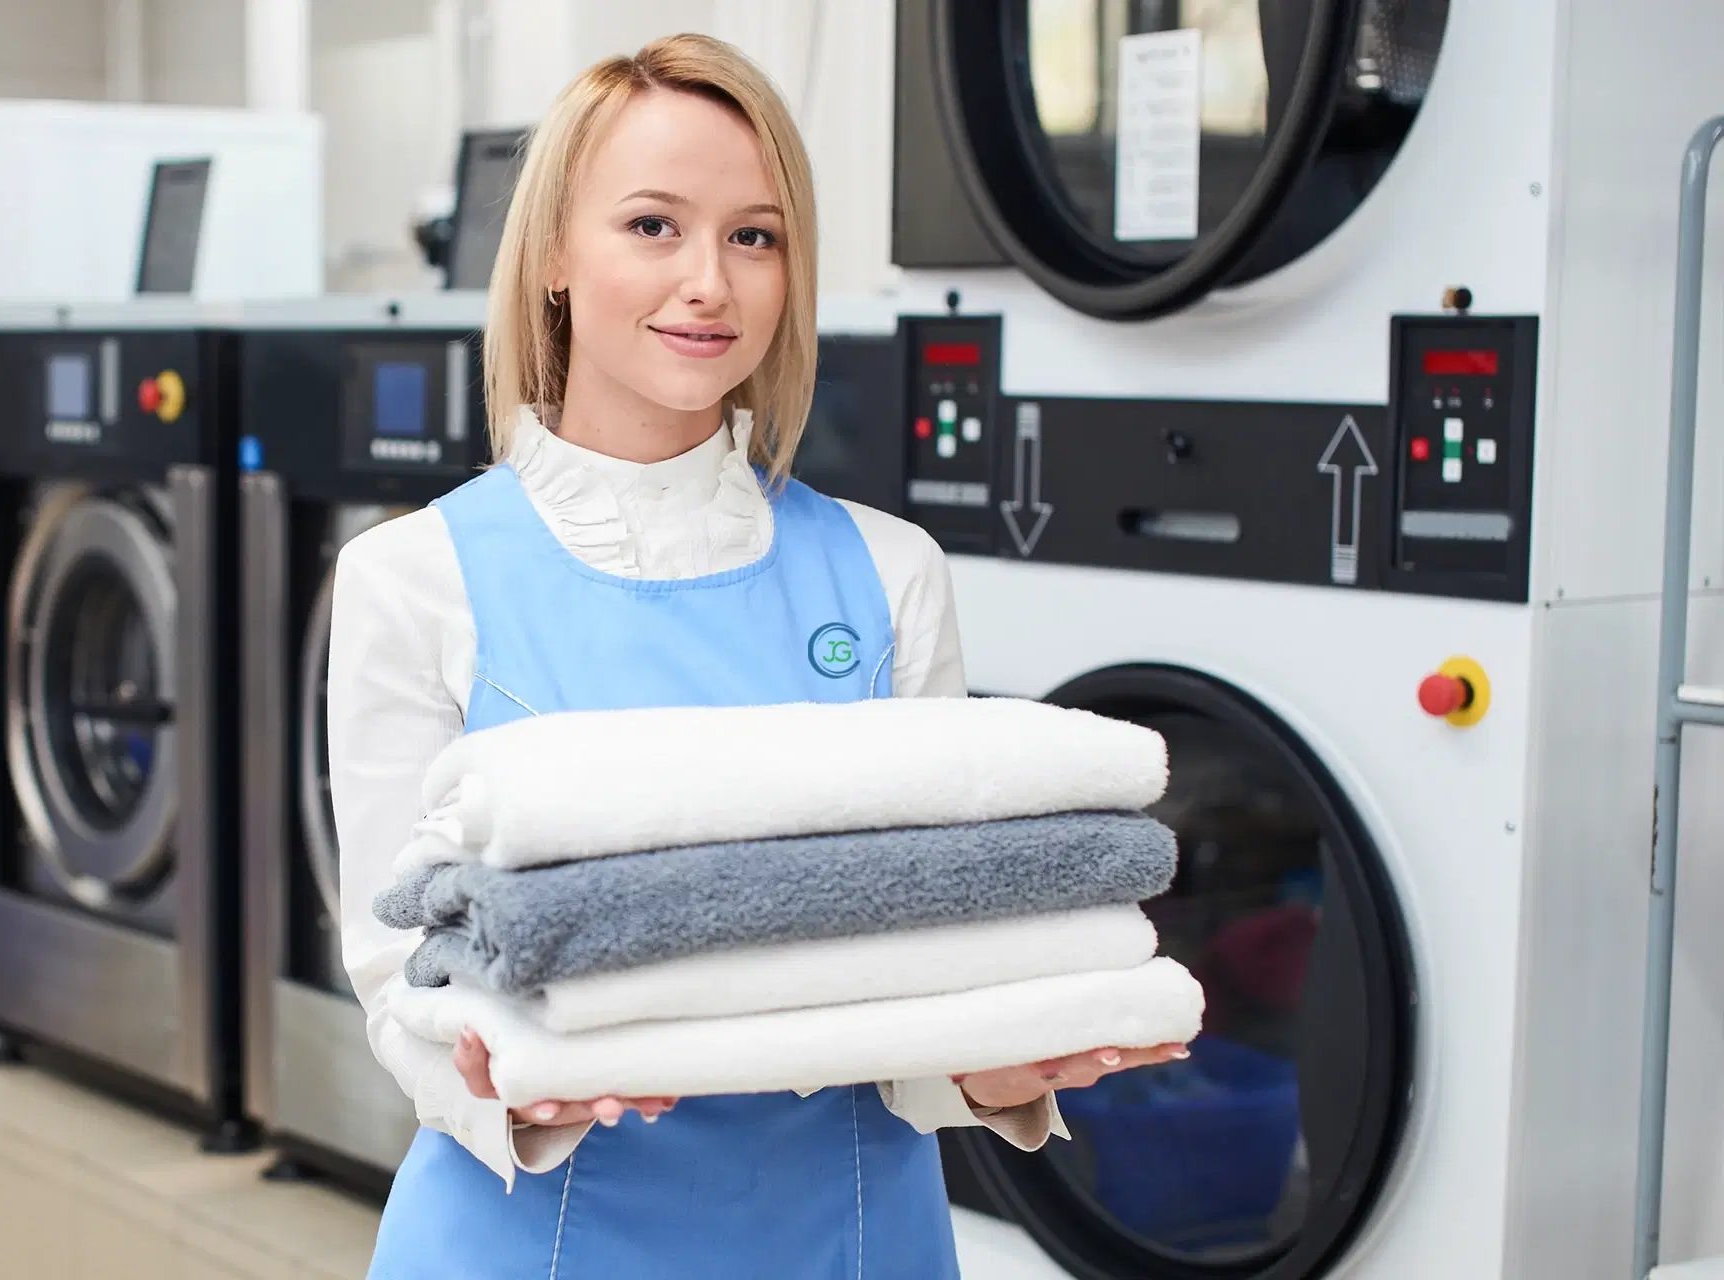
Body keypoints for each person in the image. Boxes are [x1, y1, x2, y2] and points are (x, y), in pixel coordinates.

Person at [329, 32, 1187, 1278]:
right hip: (537, 1238)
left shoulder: (889, 573)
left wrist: (997, 1065)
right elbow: (396, 969)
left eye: (754, 236)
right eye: (653, 226)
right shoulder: (415, 578)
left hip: (851, 1237)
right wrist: (515, 1088)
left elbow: (938, 964)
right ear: (555, 255)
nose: (709, 284)